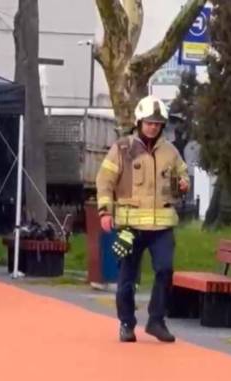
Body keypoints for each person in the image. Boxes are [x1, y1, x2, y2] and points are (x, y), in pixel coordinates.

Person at [96, 95, 190, 343]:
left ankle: (156, 321)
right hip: (131, 226)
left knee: (165, 270)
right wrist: (105, 211)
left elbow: (184, 176)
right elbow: (104, 181)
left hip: (162, 226)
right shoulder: (122, 148)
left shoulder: (171, 152)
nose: (153, 127)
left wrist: (184, 184)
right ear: (139, 122)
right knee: (127, 278)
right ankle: (126, 323)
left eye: (157, 123)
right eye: (149, 122)